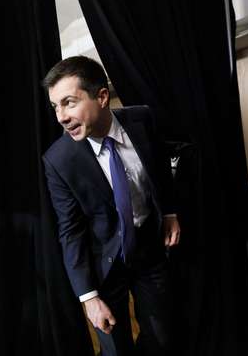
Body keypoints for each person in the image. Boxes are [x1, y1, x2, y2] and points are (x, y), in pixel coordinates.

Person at [42, 56, 180, 355]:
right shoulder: (58, 160)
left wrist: (169, 211)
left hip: (149, 252)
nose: (61, 117)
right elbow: (70, 231)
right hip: (104, 266)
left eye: (69, 102)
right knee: (115, 349)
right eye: (55, 106)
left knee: (162, 337)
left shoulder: (141, 119)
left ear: (102, 96)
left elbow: (158, 169)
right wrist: (89, 297)